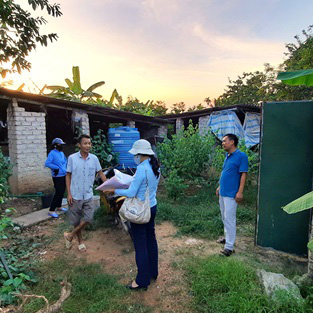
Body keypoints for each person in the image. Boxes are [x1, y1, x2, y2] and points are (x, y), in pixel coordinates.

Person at [107, 139, 160, 291]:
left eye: (136, 154)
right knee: (151, 239)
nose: (134, 157)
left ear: (140, 154)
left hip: (140, 211)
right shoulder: (155, 166)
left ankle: (142, 280)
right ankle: (153, 272)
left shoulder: (142, 169)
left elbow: (131, 193)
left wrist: (114, 191)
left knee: (140, 244)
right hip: (152, 207)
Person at [64, 134, 106, 251]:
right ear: (79, 145)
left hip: (88, 194)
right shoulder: (72, 158)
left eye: (89, 143)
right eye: (85, 143)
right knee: (76, 221)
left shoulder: (94, 159)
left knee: (88, 218)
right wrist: (69, 193)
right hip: (75, 195)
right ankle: (80, 242)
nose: (88, 146)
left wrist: (108, 185)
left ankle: (70, 235)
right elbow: (68, 175)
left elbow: (101, 173)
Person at [216, 134, 248, 257]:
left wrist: (240, 192)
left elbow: (243, 175)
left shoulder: (241, 156)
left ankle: (229, 247)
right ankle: (227, 238)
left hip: (231, 194)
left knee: (229, 219)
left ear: (232, 142)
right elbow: (226, 172)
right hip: (223, 193)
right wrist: (219, 187)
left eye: (224, 141)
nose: (222, 143)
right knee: (225, 217)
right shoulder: (227, 156)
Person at [45, 138, 68, 218]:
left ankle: (59, 206)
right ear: (55, 145)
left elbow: (65, 161)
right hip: (57, 176)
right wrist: (56, 168)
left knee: (62, 191)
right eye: (60, 144)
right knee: (58, 192)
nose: (61, 146)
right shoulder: (52, 153)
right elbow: (47, 163)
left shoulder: (61, 153)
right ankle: (51, 210)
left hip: (63, 174)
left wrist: (65, 168)